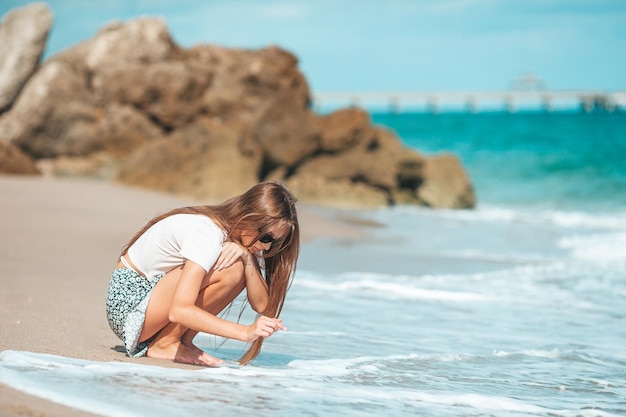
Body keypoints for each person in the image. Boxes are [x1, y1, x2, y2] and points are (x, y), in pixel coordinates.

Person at [105, 181, 300, 366]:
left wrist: (248, 259)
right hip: (128, 303)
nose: (266, 247)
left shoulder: (231, 240)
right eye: (267, 237)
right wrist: (245, 332)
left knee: (238, 267)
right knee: (232, 270)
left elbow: (262, 305)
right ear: (249, 218)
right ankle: (166, 343)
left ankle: (179, 339)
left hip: (145, 300)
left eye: (275, 242)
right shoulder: (208, 233)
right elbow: (179, 310)